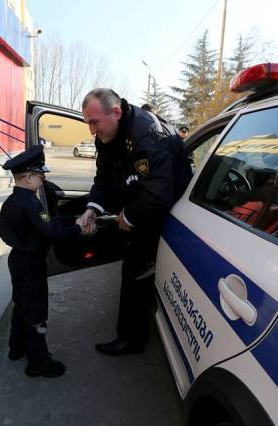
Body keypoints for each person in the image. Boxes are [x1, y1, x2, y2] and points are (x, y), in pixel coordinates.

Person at [77, 88, 191, 356]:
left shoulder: (148, 135)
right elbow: (104, 178)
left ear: (116, 112)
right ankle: (135, 330)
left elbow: (160, 193)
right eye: (88, 124)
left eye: (95, 122)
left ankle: (131, 339)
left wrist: (129, 215)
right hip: (140, 205)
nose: (92, 131)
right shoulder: (107, 136)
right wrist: (92, 208)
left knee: (134, 272)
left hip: (162, 213)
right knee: (134, 271)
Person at [0, 145, 90, 378]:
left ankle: (16, 348)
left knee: (21, 305)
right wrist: (78, 229)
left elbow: (4, 230)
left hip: (18, 259)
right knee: (35, 310)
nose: (43, 179)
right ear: (28, 177)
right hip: (31, 264)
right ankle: (38, 361)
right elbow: (51, 231)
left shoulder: (11, 202)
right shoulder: (30, 203)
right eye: (40, 176)